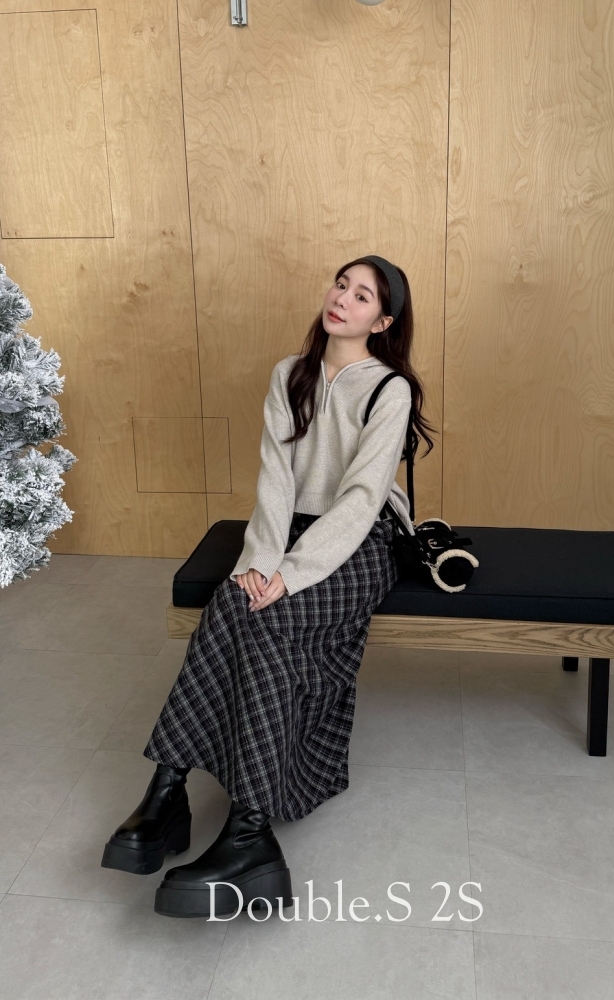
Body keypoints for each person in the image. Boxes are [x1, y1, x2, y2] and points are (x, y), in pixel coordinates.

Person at [101, 254, 436, 919]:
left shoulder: (389, 389)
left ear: (383, 321)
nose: (342, 299)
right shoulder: (290, 374)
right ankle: (169, 792)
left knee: (272, 619)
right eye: (341, 285)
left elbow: (362, 499)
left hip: (360, 541)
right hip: (287, 531)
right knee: (232, 603)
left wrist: (290, 574)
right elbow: (275, 481)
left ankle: (249, 831)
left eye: (362, 296)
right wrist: (258, 562)